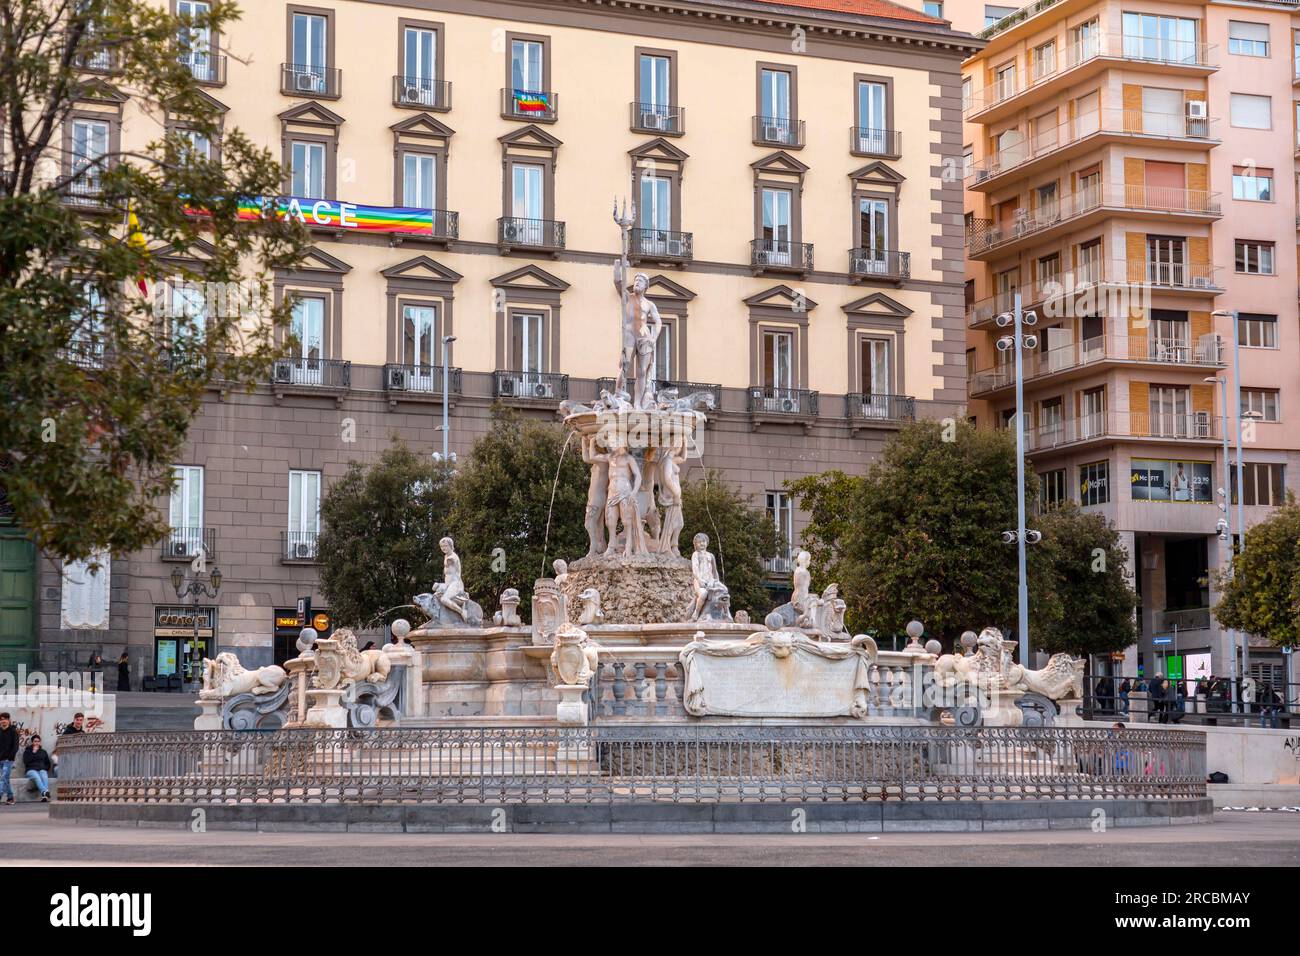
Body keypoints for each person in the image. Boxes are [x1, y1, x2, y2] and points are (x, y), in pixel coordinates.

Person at [22, 735, 52, 802]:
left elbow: (48, 764)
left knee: (44, 774)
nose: (37, 743)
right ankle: (45, 791)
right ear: (32, 742)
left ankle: (44, 795)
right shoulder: (28, 751)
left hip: (41, 769)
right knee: (36, 776)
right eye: (35, 741)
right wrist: (33, 752)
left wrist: (44, 768)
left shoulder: (43, 752)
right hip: (31, 770)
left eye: (38, 741)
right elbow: (26, 761)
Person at [0, 713, 17, 806]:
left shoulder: (13, 731)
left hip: (8, 760)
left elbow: (15, 746)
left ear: (9, 720)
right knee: (5, 779)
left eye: (5, 719)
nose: (3, 721)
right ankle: (10, 798)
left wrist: (10, 757)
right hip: (0, 759)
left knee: (3, 778)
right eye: (1, 719)